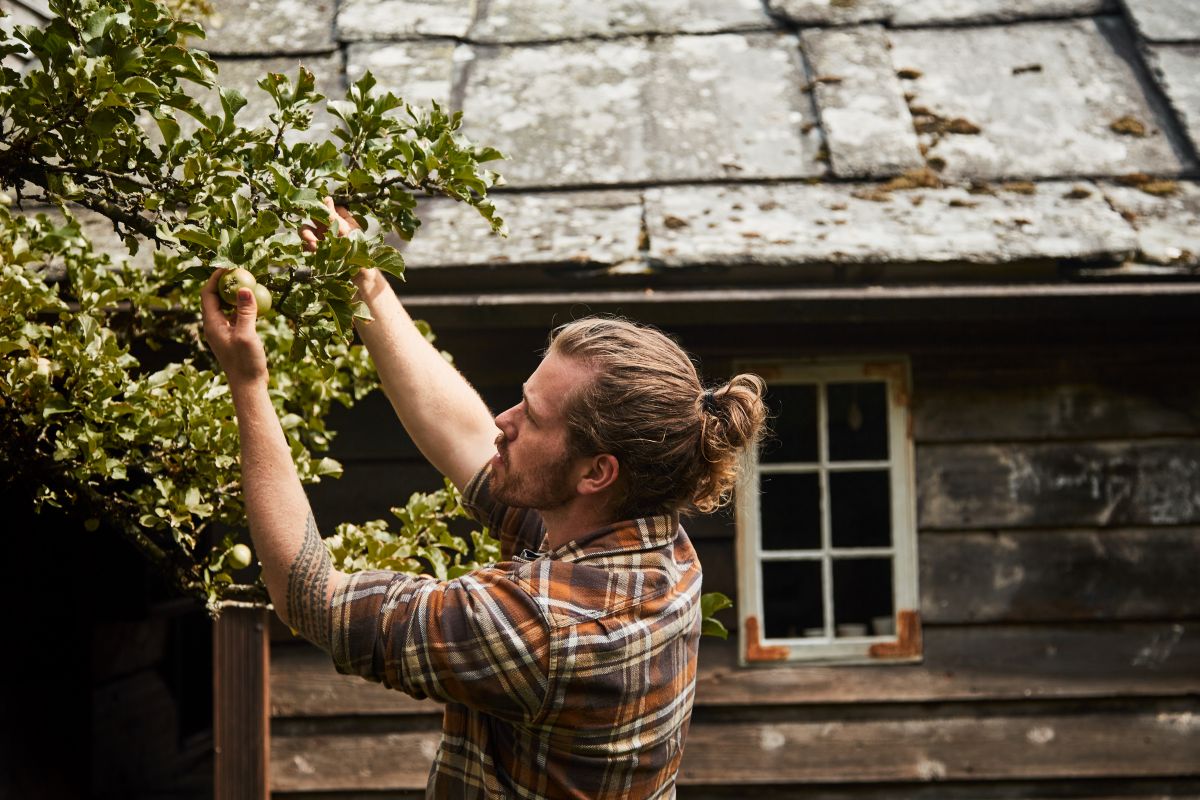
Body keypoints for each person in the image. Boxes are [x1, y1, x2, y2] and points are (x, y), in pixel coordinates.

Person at [200, 200, 767, 799]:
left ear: (596, 472)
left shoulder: (543, 627)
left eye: (533, 418)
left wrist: (247, 382)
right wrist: (366, 283)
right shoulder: (654, 540)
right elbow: (467, 436)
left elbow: (310, 599)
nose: (504, 420)